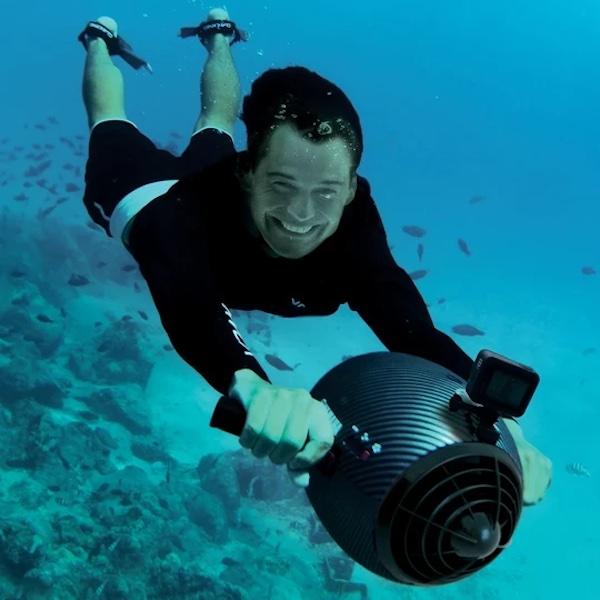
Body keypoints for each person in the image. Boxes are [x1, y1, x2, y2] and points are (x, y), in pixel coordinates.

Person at [79, 9, 552, 502]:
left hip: (232, 182)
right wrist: (249, 383)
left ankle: (218, 40)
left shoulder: (355, 227)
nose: (301, 215)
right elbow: (191, 308)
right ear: (247, 172)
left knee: (216, 122)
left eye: (326, 191)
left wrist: (502, 431)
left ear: (351, 188)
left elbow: (414, 333)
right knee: (108, 121)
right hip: (146, 192)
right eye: (281, 186)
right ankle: (98, 41)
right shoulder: (178, 220)